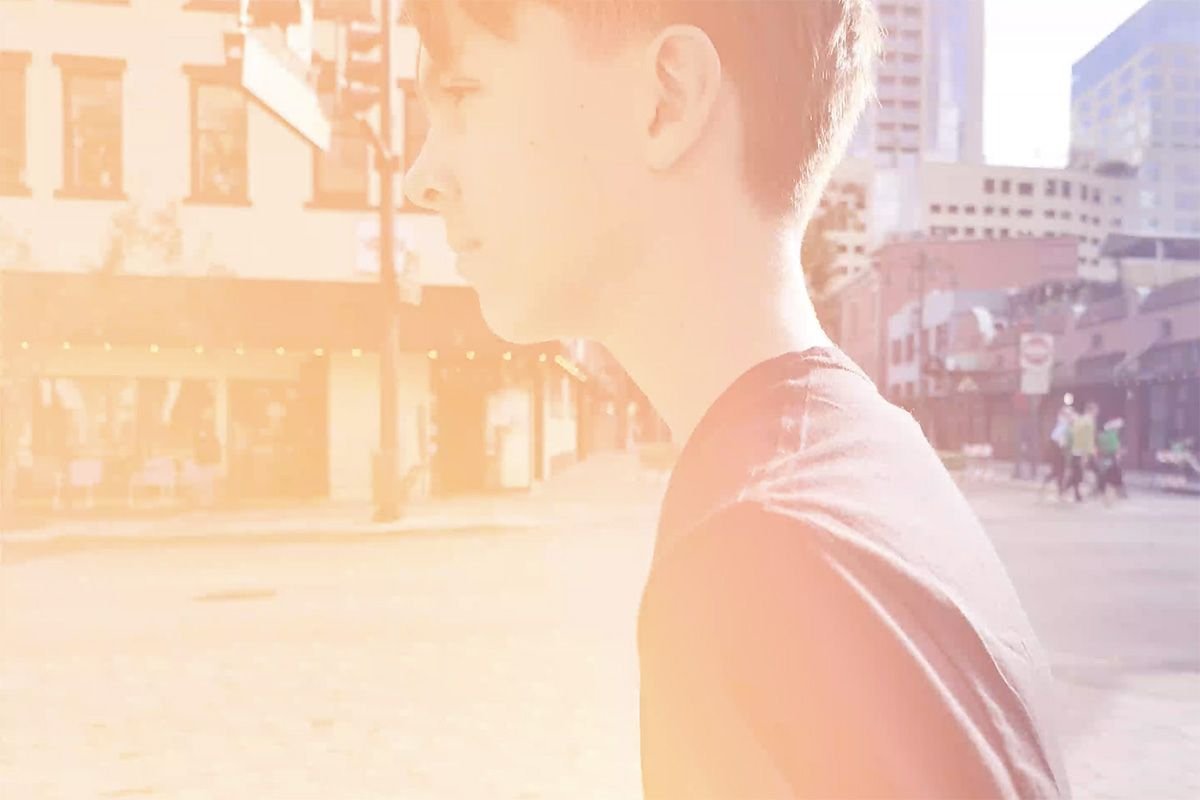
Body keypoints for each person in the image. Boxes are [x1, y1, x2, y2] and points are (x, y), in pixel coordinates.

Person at [402, 2, 1069, 796]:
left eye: (463, 93)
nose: (421, 177)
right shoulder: (863, 463)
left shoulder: (764, 552)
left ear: (667, 98)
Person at [1064, 401, 1099, 502]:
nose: (1097, 412)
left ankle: (1071, 491)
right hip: (1084, 451)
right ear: (1091, 410)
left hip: (1076, 450)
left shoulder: (1080, 420)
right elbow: (1087, 438)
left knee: (1077, 473)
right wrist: (1087, 453)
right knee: (1095, 471)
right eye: (1096, 410)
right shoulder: (1088, 422)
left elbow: (1076, 435)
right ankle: (1095, 491)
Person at [1041, 404, 1074, 501]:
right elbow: (1058, 438)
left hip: (1058, 449)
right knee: (1060, 472)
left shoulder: (1063, 424)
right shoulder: (1063, 424)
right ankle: (1060, 492)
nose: (1070, 416)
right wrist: (1062, 447)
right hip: (1058, 449)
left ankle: (1055, 489)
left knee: (1058, 472)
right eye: (1069, 414)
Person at [1096, 417, 1126, 503]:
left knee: (1103, 474)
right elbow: (1116, 448)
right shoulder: (1113, 435)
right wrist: (1119, 454)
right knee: (1116, 474)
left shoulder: (1101, 435)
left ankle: (1101, 491)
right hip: (1111, 457)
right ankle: (1119, 493)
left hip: (1103, 456)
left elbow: (1098, 446)